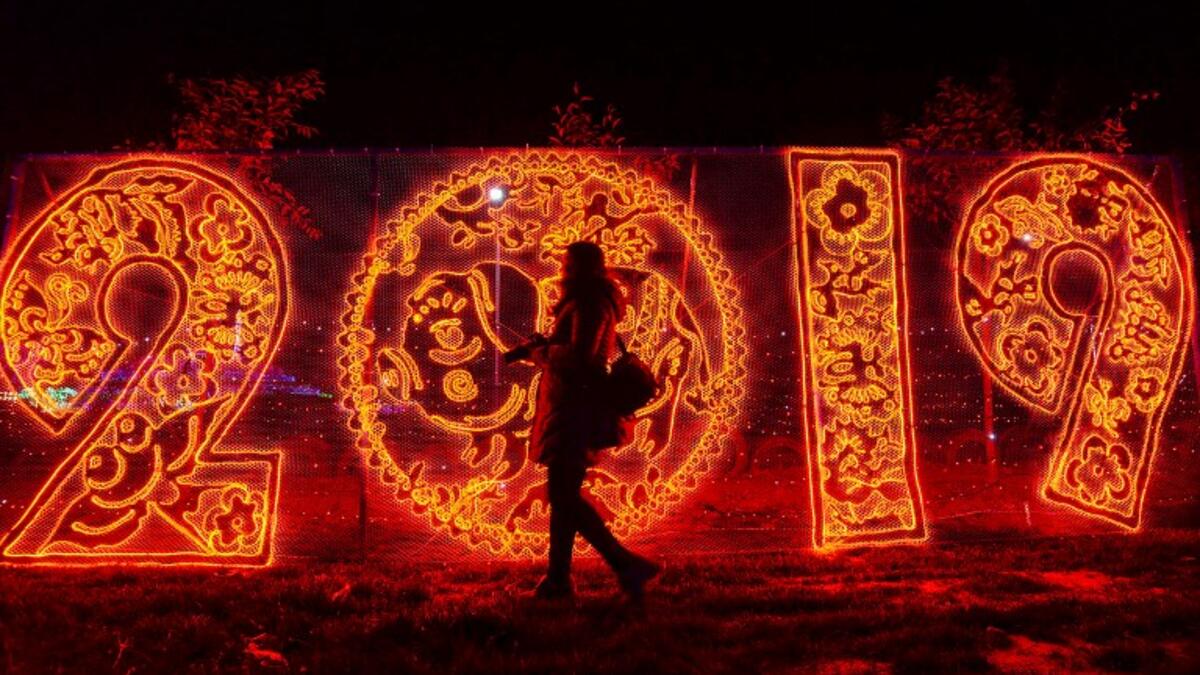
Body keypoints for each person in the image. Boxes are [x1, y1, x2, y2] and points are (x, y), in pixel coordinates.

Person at [515, 241, 661, 601]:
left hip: (575, 408)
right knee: (563, 495)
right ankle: (559, 580)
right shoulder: (586, 301)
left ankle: (625, 565)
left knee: (563, 494)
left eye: (568, 263)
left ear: (581, 268)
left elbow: (583, 356)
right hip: (568, 405)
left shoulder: (590, 302)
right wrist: (546, 347)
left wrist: (541, 353)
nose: (562, 269)